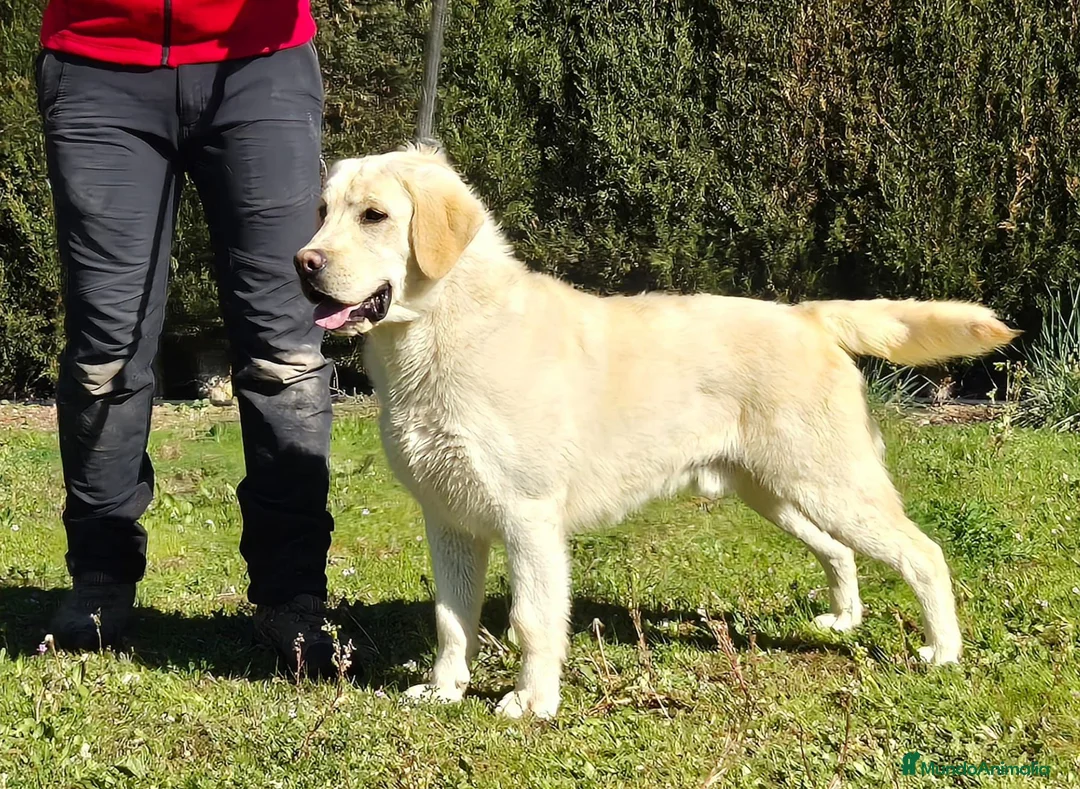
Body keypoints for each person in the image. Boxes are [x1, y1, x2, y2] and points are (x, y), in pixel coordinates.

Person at [36, 0, 338, 676]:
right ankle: (100, 584)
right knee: (105, 352)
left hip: (261, 62)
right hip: (97, 61)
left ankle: (293, 595)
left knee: (285, 351)